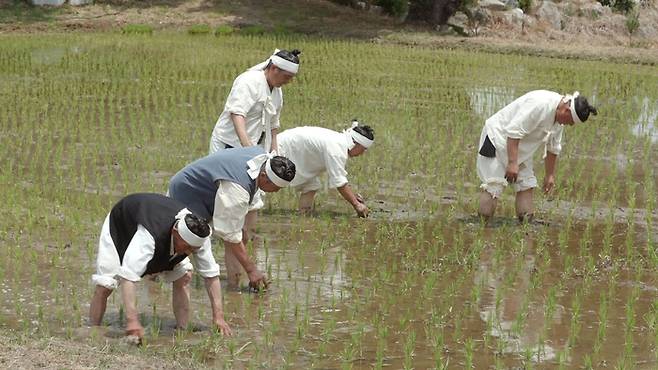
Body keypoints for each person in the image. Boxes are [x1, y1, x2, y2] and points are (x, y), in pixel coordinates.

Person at [89, 193, 232, 341]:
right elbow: (128, 277)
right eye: (187, 247)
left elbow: (211, 276)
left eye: (193, 249)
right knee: (105, 285)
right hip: (121, 225)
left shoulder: (200, 237)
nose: (189, 252)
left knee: (184, 276)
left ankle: (182, 330)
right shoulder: (148, 237)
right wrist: (133, 321)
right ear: (175, 232)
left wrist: (219, 317)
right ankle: (92, 331)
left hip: (162, 232)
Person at [208, 48, 301, 247]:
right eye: (287, 76)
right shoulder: (248, 81)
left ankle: (246, 237)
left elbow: (274, 124)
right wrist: (247, 148)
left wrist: (274, 152)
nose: (289, 81)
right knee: (227, 194)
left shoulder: (277, 91)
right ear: (274, 68)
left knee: (255, 194)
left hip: (254, 149)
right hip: (229, 145)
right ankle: (222, 234)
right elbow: (237, 114)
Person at [168, 146, 296, 290]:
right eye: (276, 188)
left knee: (238, 237)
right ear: (264, 177)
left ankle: (233, 286)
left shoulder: (262, 158)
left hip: (208, 189)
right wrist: (252, 270)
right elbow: (229, 234)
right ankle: (153, 275)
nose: (277, 191)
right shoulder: (237, 190)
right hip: (187, 193)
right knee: (181, 245)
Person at [477, 90, 598, 222]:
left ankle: (526, 230)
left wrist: (550, 175)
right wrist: (512, 163)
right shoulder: (540, 104)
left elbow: (553, 147)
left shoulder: (559, 119)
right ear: (566, 110)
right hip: (498, 139)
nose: (567, 124)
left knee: (526, 185)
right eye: (570, 122)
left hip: (520, 147)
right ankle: (483, 228)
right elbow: (513, 132)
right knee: (494, 187)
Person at [278, 120, 374, 217]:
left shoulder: (339, 142)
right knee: (271, 178)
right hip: (283, 148)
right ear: (355, 144)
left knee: (311, 185)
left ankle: (303, 216)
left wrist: (352, 197)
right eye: (363, 149)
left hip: (294, 150)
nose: (362, 154)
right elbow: (339, 182)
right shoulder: (337, 150)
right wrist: (357, 205)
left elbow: (339, 178)